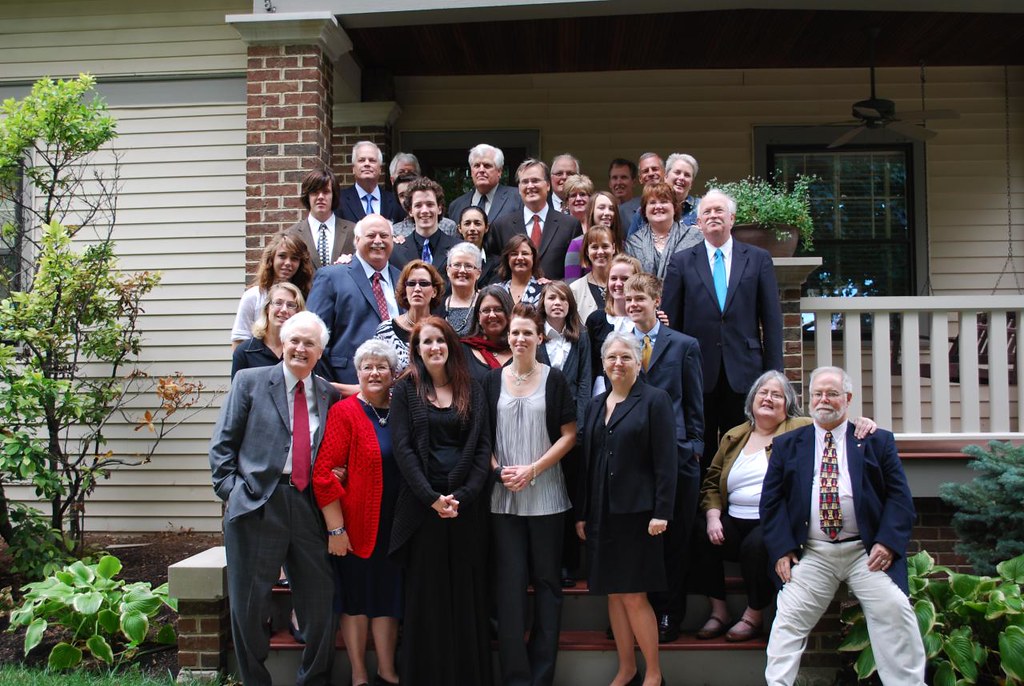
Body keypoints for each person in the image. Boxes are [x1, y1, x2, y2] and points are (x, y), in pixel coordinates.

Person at [760, 366, 924, 686]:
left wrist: (888, 543)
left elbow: (900, 500)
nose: (824, 399)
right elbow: (771, 502)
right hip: (813, 553)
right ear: (809, 400)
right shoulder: (788, 445)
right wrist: (781, 549)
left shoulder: (876, 440)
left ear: (847, 399)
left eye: (832, 393)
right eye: (818, 393)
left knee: (895, 613)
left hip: (866, 552)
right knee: (787, 622)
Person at [693, 371, 877, 644]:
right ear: (752, 400)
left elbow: (834, 422)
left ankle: (753, 614)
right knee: (697, 531)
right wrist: (712, 516)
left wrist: (863, 422)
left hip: (773, 519)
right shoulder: (734, 436)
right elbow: (710, 483)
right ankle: (719, 610)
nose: (768, 398)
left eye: (777, 395)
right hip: (733, 518)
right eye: (763, 393)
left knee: (756, 547)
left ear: (787, 404)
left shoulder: (800, 427)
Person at [209, 311, 339, 686]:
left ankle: (313, 679)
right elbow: (222, 448)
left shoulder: (327, 392)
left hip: (307, 505)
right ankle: (255, 680)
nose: (300, 348)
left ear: (320, 352)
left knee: (319, 601)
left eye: (309, 343)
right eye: (294, 340)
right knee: (248, 606)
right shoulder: (250, 382)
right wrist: (233, 495)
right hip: (256, 504)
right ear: (282, 342)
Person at [389, 317, 493, 686]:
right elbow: (403, 450)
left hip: (466, 508)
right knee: (427, 596)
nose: (434, 347)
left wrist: (462, 496)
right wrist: (431, 498)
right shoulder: (405, 391)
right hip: (422, 510)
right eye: (426, 342)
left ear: (451, 345)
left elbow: (482, 448)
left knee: (466, 593)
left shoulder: (473, 388)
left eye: (440, 340)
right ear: (416, 349)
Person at [576, 332, 676, 686]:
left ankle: (653, 673)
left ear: (638, 362)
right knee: (614, 595)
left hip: (639, 515)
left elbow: (667, 461)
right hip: (603, 513)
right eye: (612, 358)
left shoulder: (654, 400)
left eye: (626, 357)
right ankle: (626, 668)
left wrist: (662, 511)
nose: (618, 363)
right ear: (603, 363)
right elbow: (589, 463)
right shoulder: (594, 404)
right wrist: (583, 514)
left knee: (634, 594)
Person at [484, 304, 576, 686]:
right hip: (503, 498)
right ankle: (516, 677)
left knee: (548, 584)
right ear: (507, 338)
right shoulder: (491, 382)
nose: (520, 339)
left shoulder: (555, 381)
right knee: (509, 586)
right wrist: (497, 470)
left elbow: (570, 434)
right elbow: (482, 436)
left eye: (527, 333)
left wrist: (533, 470)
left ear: (540, 338)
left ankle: (542, 676)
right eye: (515, 333)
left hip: (547, 496)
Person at [662, 188, 783, 466]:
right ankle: (703, 507)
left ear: (732, 219)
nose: (713, 216)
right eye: (707, 212)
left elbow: (772, 320)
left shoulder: (758, 258)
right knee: (700, 447)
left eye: (719, 211)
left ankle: (734, 505)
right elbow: (672, 325)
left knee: (741, 444)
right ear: (699, 223)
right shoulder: (681, 262)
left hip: (744, 370)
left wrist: (774, 374)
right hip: (697, 371)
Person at [312, 340, 403, 686]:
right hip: (353, 526)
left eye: (382, 366)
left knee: (388, 598)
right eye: (367, 366)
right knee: (355, 602)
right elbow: (324, 475)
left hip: (395, 527)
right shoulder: (344, 411)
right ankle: (359, 675)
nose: (374, 372)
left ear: (393, 373)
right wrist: (336, 530)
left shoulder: (402, 410)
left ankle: (387, 671)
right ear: (357, 372)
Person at [623, 272, 703, 644]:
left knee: (675, 537)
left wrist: (694, 449)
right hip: (634, 456)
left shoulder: (683, 345)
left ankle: (670, 612)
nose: (633, 304)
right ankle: (639, 617)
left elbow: (694, 404)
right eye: (628, 298)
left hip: (677, 454)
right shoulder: (619, 345)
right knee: (639, 538)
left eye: (640, 298)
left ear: (657, 301)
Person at [537, 282, 592, 587]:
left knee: (570, 497)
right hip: (541, 428)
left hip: (573, 429)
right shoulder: (535, 336)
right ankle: (545, 562)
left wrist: (580, 424)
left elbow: (585, 383)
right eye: (551, 298)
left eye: (563, 299)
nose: (557, 303)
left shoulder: (581, 337)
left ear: (571, 304)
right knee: (546, 497)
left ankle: (569, 564)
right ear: (542, 303)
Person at [306, 214, 402, 389]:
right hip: (346, 383)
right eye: (371, 235)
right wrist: (330, 387)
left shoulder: (403, 279)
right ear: (357, 240)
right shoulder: (331, 277)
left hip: (398, 387)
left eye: (384, 236)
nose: (378, 241)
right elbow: (313, 336)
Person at [490, 158, 583, 281]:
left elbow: (576, 273)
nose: (530, 186)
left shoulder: (570, 225)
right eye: (525, 182)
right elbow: (496, 271)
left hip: (555, 298)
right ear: (519, 188)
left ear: (548, 185)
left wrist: (554, 287)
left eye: (535, 181)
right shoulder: (501, 226)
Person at [231, 230, 315, 349]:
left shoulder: (307, 298)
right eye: (282, 256)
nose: (288, 263)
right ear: (271, 259)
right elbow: (239, 340)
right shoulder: (253, 296)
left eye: (294, 258)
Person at [232, 282, 330, 380]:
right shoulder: (245, 351)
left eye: (291, 305)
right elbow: (239, 391)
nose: (284, 310)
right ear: (267, 308)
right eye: (278, 303)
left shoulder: (307, 351)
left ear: (298, 312)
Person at [373, 259, 445, 372]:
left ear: (434, 292)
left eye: (423, 283)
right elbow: (376, 371)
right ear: (405, 290)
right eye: (411, 284)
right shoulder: (385, 330)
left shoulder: (443, 330)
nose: (417, 289)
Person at [585, 253, 643, 391]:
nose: (618, 284)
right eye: (613, 278)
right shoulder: (596, 320)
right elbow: (588, 365)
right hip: (601, 391)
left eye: (625, 279)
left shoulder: (645, 321)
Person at [624, 181, 702, 280]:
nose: (658, 206)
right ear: (644, 210)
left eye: (664, 201)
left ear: (674, 207)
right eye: (652, 202)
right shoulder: (634, 243)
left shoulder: (694, 237)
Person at [290, 166, 356, 270]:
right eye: (315, 192)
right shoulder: (292, 235)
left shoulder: (353, 231)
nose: (320, 197)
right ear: (307, 196)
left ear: (333, 195)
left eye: (326, 192)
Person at [389, 176, 458, 273]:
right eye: (418, 205)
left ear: (439, 208)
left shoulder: (458, 248)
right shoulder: (395, 252)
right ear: (410, 211)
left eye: (430, 204)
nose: (424, 210)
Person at [626, 153, 700, 239]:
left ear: (691, 183)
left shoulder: (701, 208)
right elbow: (630, 247)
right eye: (677, 172)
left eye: (687, 175)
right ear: (665, 176)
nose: (681, 177)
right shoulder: (644, 211)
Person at [447, 143, 520, 224]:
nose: (481, 170)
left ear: (499, 171)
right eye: (477, 166)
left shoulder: (517, 198)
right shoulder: (456, 206)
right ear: (471, 171)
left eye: (487, 165)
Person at [564, 190, 623, 283]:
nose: (607, 212)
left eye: (611, 209)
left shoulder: (622, 244)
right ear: (592, 211)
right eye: (601, 207)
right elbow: (572, 287)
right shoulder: (577, 244)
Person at [338, 141, 404, 224]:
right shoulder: (339, 200)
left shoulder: (395, 201)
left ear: (380, 169)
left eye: (372, 160)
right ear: (353, 169)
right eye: (361, 160)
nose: (367, 164)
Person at [461, 284, 514, 384]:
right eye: (486, 310)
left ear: (508, 313)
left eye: (498, 309)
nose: (492, 315)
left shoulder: (521, 347)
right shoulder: (463, 350)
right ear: (478, 317)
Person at [571, 225, 617, 322]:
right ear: (587, 251)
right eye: (594, 247)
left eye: (605, 246)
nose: (600, 252)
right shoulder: (575, 289)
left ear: (613, 248)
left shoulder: (626, 284)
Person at [392, 172, 459, 239]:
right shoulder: (395, 231)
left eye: (429, 204)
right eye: (402, 195)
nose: (406, 198)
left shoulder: (448, 226)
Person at [443, 241, 483, 336]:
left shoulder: (485, 305)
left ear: (478, 273)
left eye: (468, 266)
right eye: (457, 265)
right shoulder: (437, 306)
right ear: (448, 270)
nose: (462, 270)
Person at [455, 205, 500, 286]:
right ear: (460, 228)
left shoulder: (497, 263)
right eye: (467, 223)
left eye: (477, 223)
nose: (472, 228)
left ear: (486, 227)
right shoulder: (449, 260)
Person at [499, 233, 544, 306]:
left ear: (533, 257)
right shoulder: (497, 290)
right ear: (507, 258)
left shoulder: (545, 290)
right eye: (514, 254)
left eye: (525, 253)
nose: (520, 258)